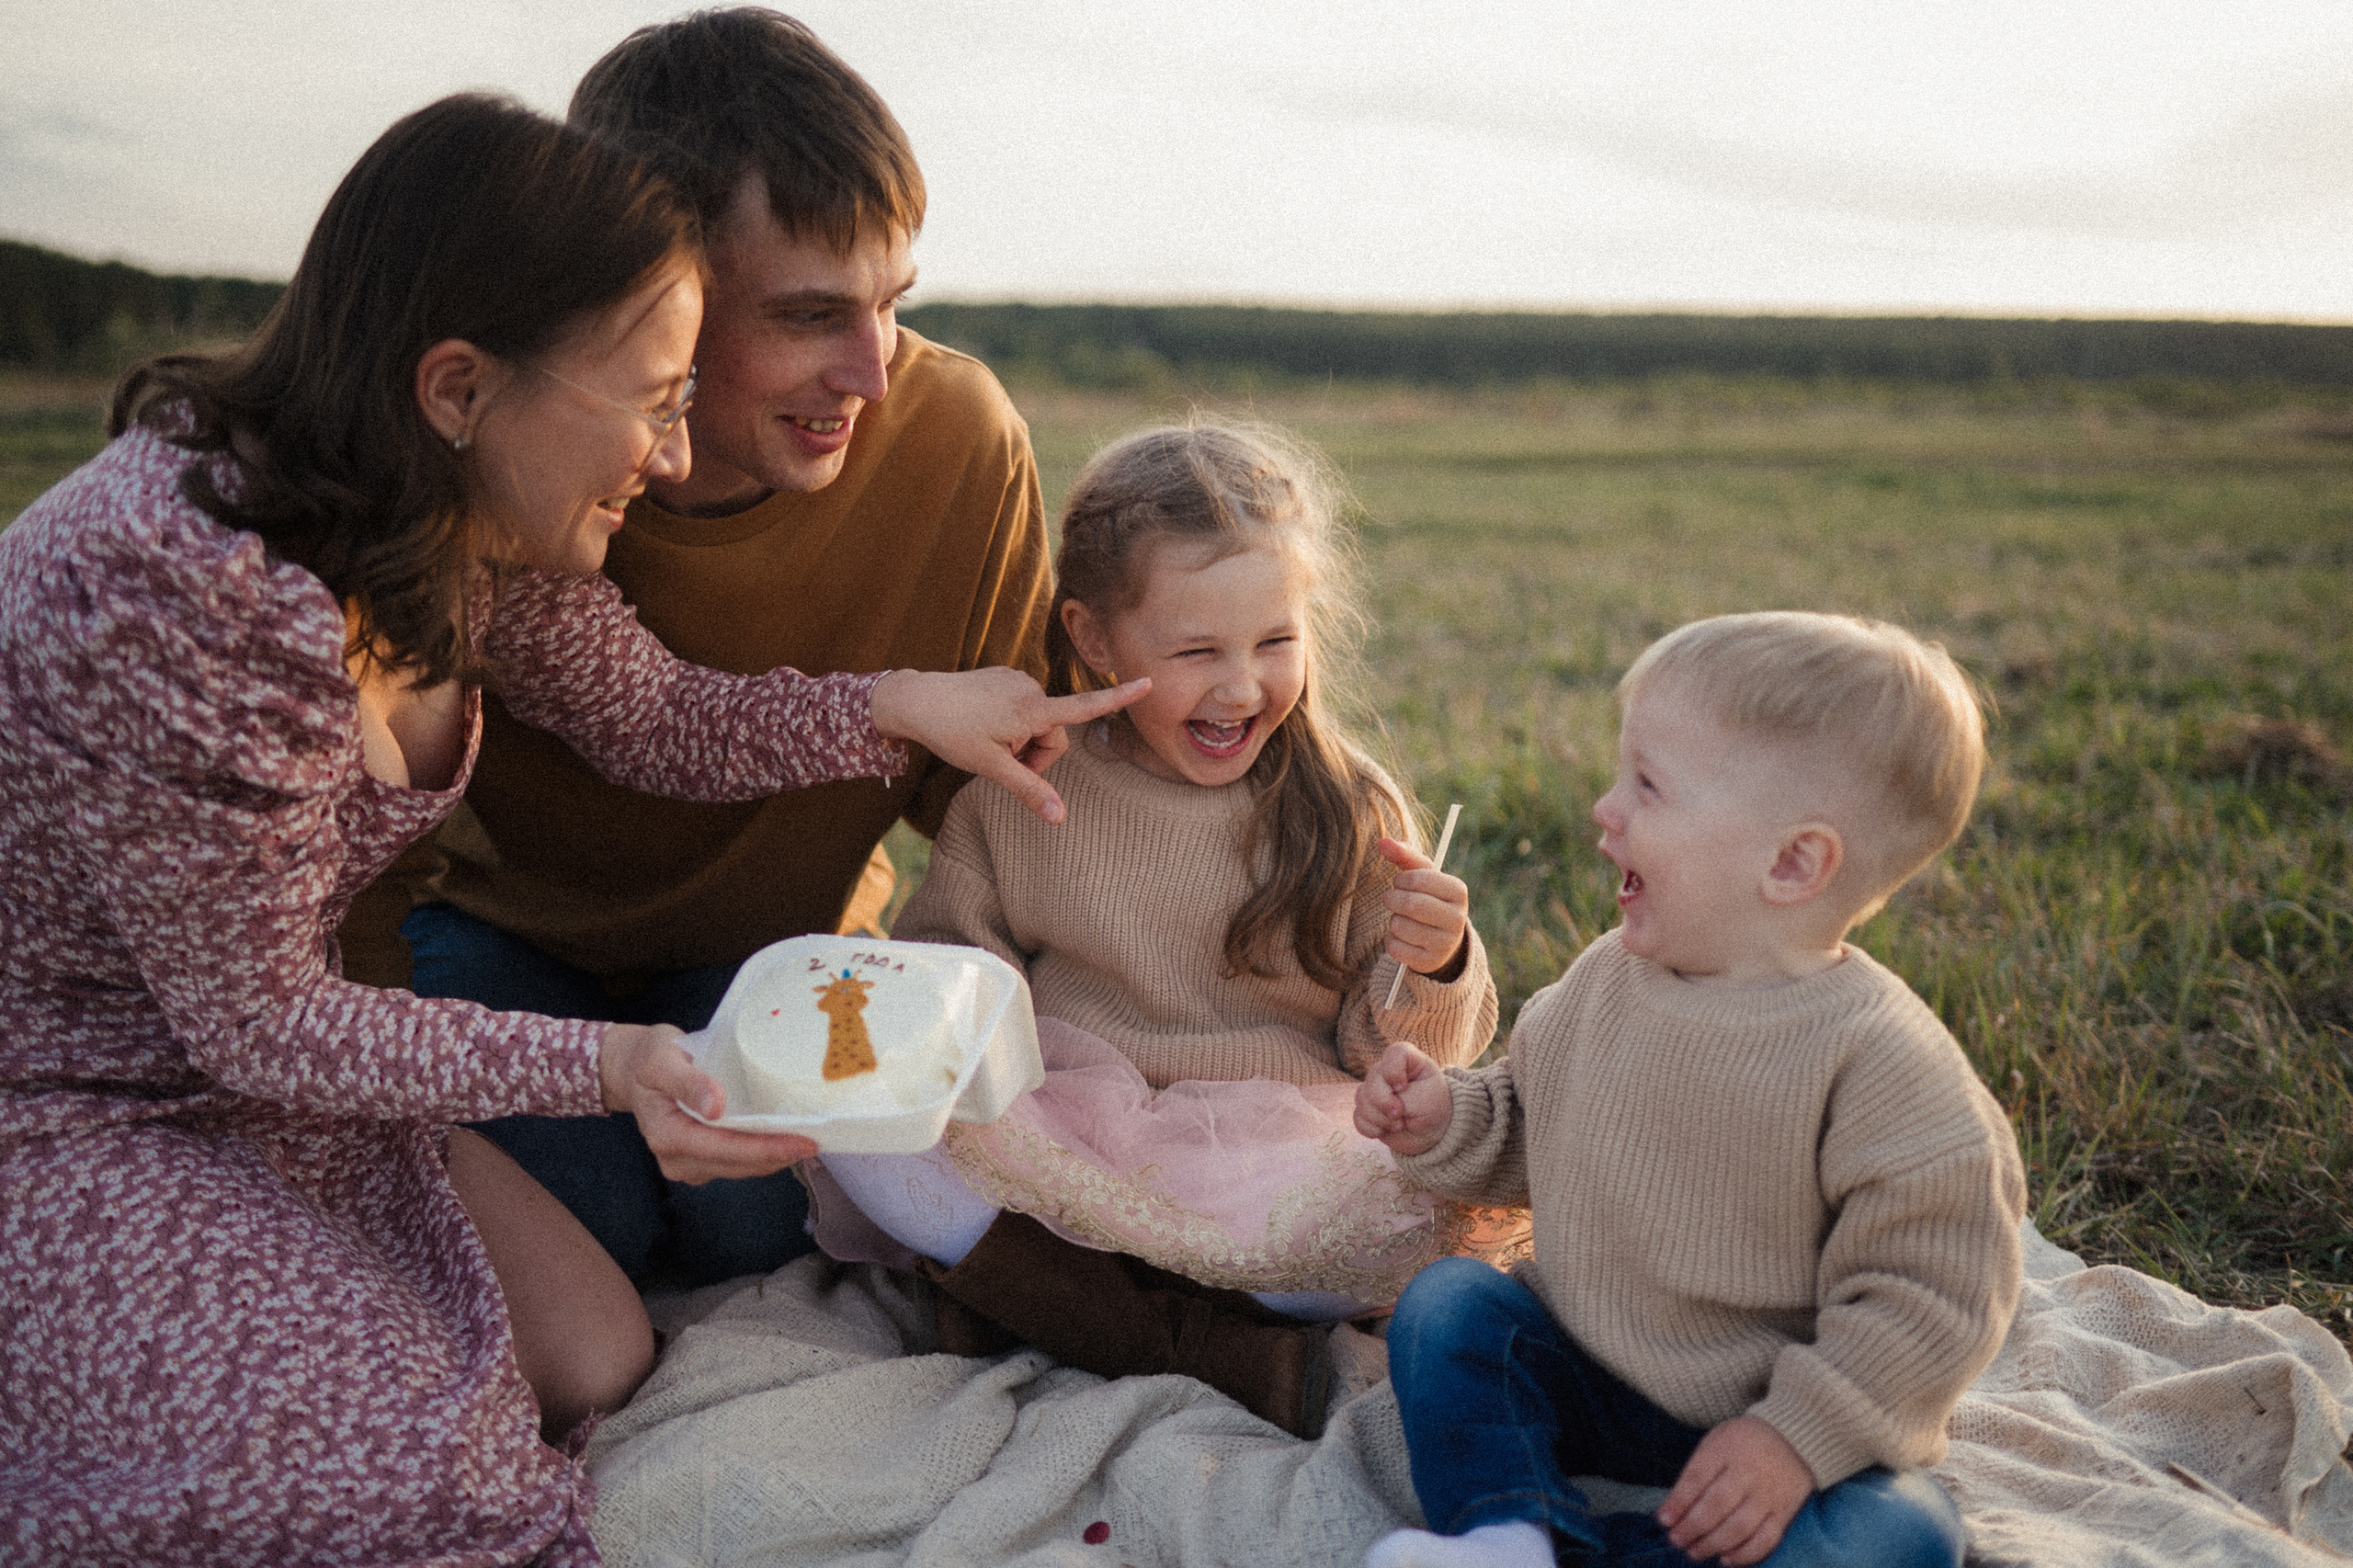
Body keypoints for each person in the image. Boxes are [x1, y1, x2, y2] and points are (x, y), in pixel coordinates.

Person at [0, 94, 1132, 1565]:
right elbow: (263, 1021)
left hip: (250, 1077)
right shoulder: (198, 595)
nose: (668, 460)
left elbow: (656, 719)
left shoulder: (442, 525)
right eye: (651, 400)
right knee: (405, 1477)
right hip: (72, 1094)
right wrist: (614, 1065)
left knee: (594, 1355)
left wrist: (904, 706)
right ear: (461, 386)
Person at [337, 6, 1062, 1292]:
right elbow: (368, 832)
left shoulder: (958, 440)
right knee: (579, 1234)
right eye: (808, 315)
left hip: (781, 958)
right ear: (646, 294)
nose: (873, 373)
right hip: (507, 944)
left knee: (750, 1230)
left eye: (893, 304)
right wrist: (386, 1120)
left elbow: (1006, 823)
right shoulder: (501, 471)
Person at [816, 421, 1509, 1438]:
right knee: (858, 1121)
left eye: (1275, 642)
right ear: (1093, 639)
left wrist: (1437, 960)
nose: (1240, 685)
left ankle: (1076, 1313)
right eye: (1196, 650)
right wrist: (923, 1043)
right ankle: (1204, 1343)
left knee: (1408, 1200)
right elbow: (954, 989)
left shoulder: (1346, 805)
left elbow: (1396, 1059)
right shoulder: (1023, 791)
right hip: (1069, 1138)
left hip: (1268, 1160)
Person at [1352, 611, 2027, 1568]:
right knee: (1450, 1306)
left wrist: (1797, 1437)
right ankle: (1508, 1531)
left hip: (1773, 1411)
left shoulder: (1883, 1068)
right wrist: (1443, 1115)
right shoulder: (1602, 982)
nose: (1603, 808)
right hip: (1588, 1366)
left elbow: (1930, 1299)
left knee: (1908, 1528)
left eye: (1647, 785)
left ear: (1791, 863)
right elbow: (1531, 1119)